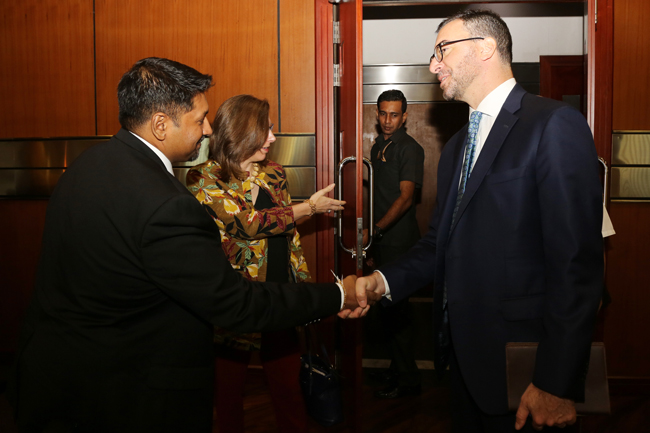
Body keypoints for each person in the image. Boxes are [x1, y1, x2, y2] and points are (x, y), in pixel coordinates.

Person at [7, 57, 372, 433]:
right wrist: (338, 295)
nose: (209, 129)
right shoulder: (166, 202)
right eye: (200, 119)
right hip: (125, 394)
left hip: (60, 378)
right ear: (161, 125)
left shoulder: (86, 166)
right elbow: (237, 304)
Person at [346, 10, 603, 432]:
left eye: (441, 50)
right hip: (464, 361)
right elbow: (438, 245)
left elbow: (576, 265)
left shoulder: (553, 125)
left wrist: (555, 382)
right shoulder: (456, 147)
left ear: (485, 48)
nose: (433, 65)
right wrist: (382, 282)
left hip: (527, 368)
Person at [186, 94, 345, 432]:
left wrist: (300, 281)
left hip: (280, 294)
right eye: (266, 130)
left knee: (289, 388)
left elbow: (285, 227)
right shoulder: (203, 179)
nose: (273, 138)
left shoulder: (273, 173)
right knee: (228, 393)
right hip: (237, 297)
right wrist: (309, 208)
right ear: (242, 132)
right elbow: (245, 224)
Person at [365, 90, 424, 399]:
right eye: (383, 114)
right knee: (388, 313)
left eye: (394, 115)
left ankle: (409, 381)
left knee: (397, 312)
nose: (388, 121)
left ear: (404, 116)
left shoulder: (409, 149)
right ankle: (398, 370)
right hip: (382, 241)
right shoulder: (379, 146)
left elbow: (405, 198)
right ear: (378, 114)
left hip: (398, 241)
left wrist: (374, 231)